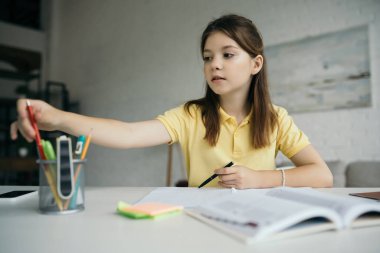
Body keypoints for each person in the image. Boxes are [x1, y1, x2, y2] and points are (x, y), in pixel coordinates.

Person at [10, 14, 333, 189]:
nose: (214, 65)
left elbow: (322, 175)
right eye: (207, 57)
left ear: (256, 64)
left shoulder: (277, 119)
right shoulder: (191, 115)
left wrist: (260, 178)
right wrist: (56, 118)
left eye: (227, 55)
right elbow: (128, 134)